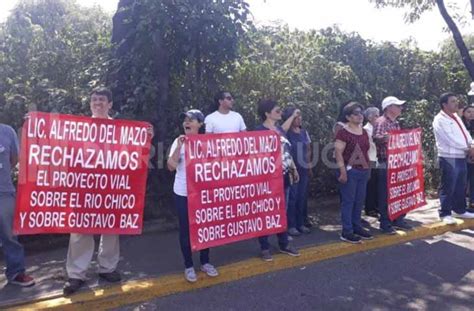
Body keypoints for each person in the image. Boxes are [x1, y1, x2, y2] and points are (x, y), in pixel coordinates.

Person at [63, 87, 121, 295]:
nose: (97, 103)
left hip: (111, 186)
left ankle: (107, 268)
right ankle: (76, 274)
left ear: (110, 104)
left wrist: (146, 135)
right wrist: (34, 124)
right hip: (84, 187)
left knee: (111, 228)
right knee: (80, 230)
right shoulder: (79, 128)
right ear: (90, 104)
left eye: (102, 100)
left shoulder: (122, 129)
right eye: (94, 99)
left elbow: (133, 153)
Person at [168, 109, 218, 283]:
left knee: (206, 227)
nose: (187, 123)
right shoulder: (178, 141)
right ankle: (189, 266)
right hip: (183, 192)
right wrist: (180, 147)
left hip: (204, 193)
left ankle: (205, 262)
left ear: (200, 124)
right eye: (185, 120)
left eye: (191, 119)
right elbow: (170, 167)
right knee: (186, 230)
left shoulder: (208, 142)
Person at [255, 99, 300, 261]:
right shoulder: (258, 131)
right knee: (265, 212)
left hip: (284, 177)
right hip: (267, 181)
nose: (280, 113)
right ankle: (264, 247)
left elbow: (286, 151)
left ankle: (283, 243)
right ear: (267, 113)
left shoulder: (280, 131)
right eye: (277, 110)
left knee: (282, 211)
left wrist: (293, 168)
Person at [0, 123, 35, 286]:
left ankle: (16, 273)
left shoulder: (7, 131)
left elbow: (14, 159)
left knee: (10, 235)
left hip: (4, 191)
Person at [433, 93, 474, 224]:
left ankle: (460, 210)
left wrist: (471, 144)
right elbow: (450, 139)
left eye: (456, 101)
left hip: (461, 155)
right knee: (448, 185)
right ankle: (445, 213)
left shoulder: (456, 116)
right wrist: (467, 148)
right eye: (453, 101)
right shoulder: (439, 120)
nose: (456, 103)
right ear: (444, 105)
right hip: (448, 157)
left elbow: (465, 133)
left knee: (460, 185)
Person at [334, 102, 373, 243]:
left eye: (360, 113)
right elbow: (338, 153)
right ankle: (347, 231)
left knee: (359, 201)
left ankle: (357, 226)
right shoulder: (343, 133)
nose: (359, 116)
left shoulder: (364, 132)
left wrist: (367, 168)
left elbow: (366, 151)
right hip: (350, 170)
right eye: (355, 113)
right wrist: (342, 171)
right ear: (348, 117)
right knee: (348, 201)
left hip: (363, 170)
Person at [373, 96, 411, 234]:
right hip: (386, 162)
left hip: (397, 161)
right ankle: (385, 222)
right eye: (398, 105)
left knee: (398, 192)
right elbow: (376, 138)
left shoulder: (396, 123)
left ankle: (398, 219)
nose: (401, 108)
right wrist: (388, 137)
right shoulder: (381, 122)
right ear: (389, 107)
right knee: (386, 194)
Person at [283, 106, 312, 236]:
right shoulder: (286, 133)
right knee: (292, 198)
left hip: (304, 169)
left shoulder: (304, 132)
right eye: (296, 117)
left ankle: (300, 223)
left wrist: (309, 166)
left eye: (300, 116)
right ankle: (291, 225)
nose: (299, 119)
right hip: (291, 169)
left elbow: (308, 150)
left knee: (302, 197)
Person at [363, 107, 380, 218]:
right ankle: (369, 208)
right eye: (376, 116)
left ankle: (376, 206)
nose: (378, 118)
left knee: (377, 184)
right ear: (369, 117)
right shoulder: (366, 129)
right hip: (370, 159)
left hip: (377, 159)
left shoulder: (378, 128)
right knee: (370, 185)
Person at [461, 105, 474, 208]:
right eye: (468, 112)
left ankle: (472, 201)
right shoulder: (460, 125)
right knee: (463, 180)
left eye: (473, 112)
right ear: (463, 113)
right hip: (463, 156)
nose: (471, 114)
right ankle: (461, 202)